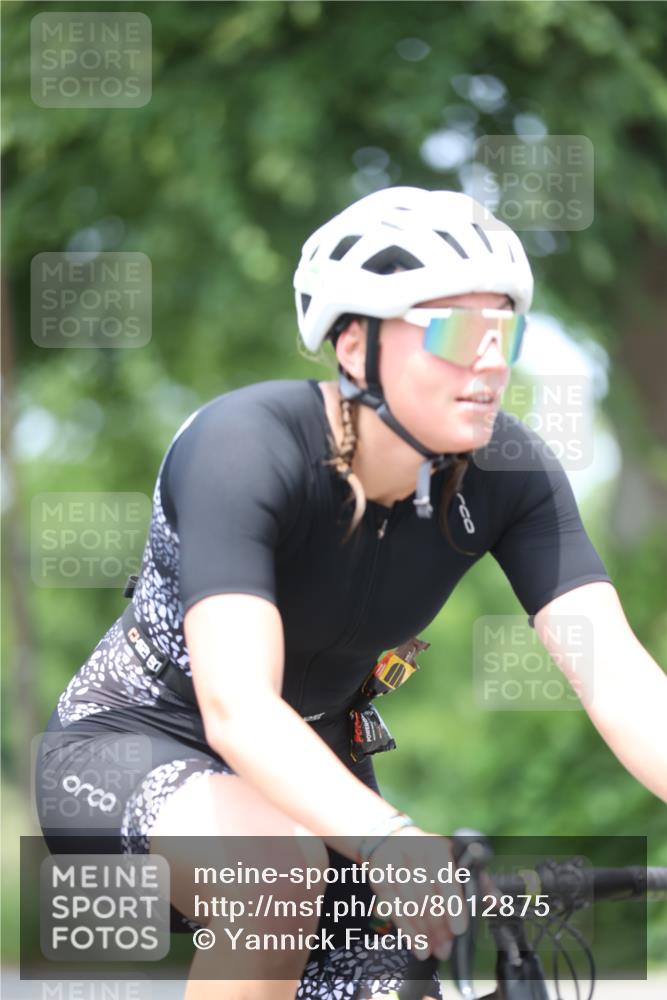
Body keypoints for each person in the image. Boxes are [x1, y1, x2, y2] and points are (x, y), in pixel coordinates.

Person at [34, 187, 667, 1000]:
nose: (490, 359)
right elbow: (237, 707)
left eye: (503, 329)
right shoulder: (245, 447)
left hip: (316, 765)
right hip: (130, 744)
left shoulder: (512, 473)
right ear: (352, 343)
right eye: (453, 328)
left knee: (397, 976)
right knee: (274, 879)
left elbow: (618, 679)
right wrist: (390, 843)